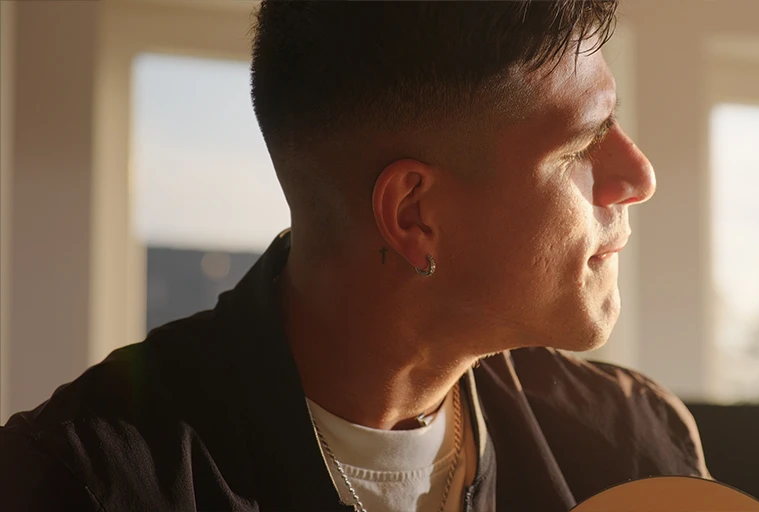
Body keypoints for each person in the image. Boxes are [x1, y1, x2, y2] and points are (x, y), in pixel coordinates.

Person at [0, 1, 710, 511]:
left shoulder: (632, 448)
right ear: (413, 214)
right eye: (584, 144)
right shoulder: (82, 484)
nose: (639, 176)